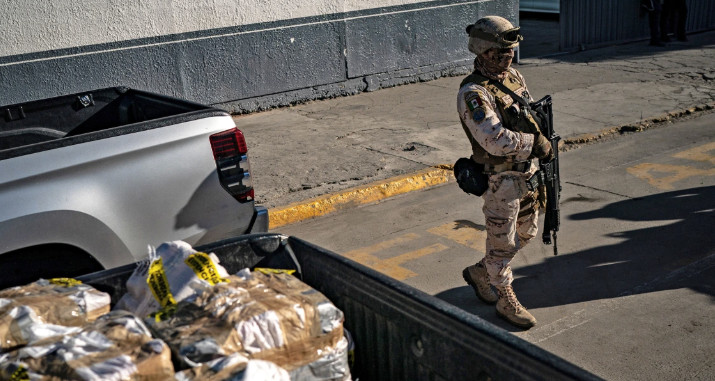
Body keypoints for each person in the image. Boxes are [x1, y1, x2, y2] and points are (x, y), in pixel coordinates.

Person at [457, 15, 553, 329]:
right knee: (501, 243)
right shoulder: (473, 93)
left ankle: (481, 273)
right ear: (482, 51)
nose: (507, 56)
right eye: (499, 52)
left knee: (526, 233)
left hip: (527, 174)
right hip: (501, 181)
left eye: (510, 50)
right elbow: (495, 140)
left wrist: (540, 143)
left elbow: (527, 114)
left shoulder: (512, 77)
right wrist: (535, 143)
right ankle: (504, 296)